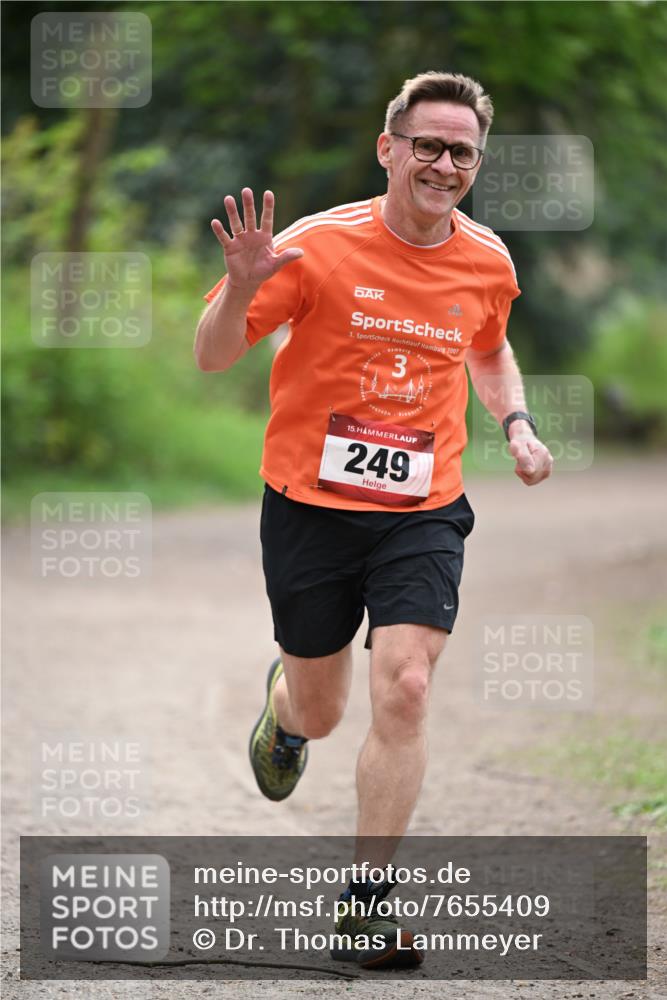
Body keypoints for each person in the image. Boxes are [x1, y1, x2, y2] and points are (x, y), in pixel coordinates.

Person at [195, 70, 553, 969]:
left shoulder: (486, 260)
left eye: (460, 151)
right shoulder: (315, 248)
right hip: (309, 508)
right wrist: (239, 288)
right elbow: (211, 356)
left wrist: (515, 423)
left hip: (421, 509)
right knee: (320, 714)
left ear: (476, 164)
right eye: (426, 144)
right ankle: (284, 709)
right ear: (389, 147)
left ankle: (364, 906)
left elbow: (491, 349)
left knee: (406, 685)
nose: (442, 163)